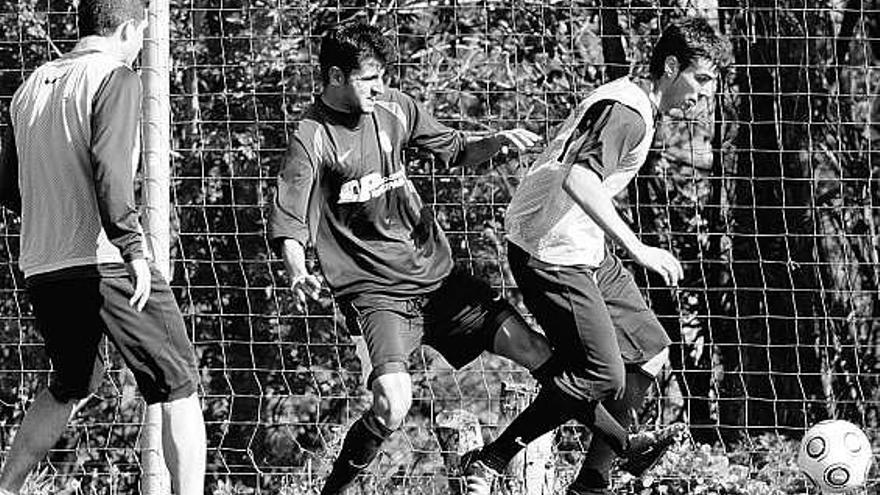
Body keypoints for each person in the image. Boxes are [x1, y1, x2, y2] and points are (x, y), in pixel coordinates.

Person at [268, 22, 683, 495]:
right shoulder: (311, 138)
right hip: (377, 294)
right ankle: (333, 490)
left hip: (438, 279)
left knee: (535, 351)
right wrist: (298, 270)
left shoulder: (396, 109)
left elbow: (455, 149)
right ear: (336, 77)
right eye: (368, 78)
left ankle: (605, 452)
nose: (379, 86)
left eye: (383, 75)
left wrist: (496, 142)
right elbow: (289, 217)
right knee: (392, 403)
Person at [461, 17, 732, 495]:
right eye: (702, 79)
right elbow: (579, 181)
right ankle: (490, 461)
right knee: (602, 375)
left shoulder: (633, 101)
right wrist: (639, 248)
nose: (705, 95)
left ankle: (591, 483)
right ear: (671, 67)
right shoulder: (628, 112)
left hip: (581, 245)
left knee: (649, 351)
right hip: (549, 251)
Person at [0, 1, 206, 494]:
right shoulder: (116, 77)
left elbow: (9, 187)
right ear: (131, 29)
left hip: (43, 265)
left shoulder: (29, 88)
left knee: (71, 383)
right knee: (180, 384)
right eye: (142, 38)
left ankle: (6, 487)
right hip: (106, 259)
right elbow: (110, 170)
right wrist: (133, 247)